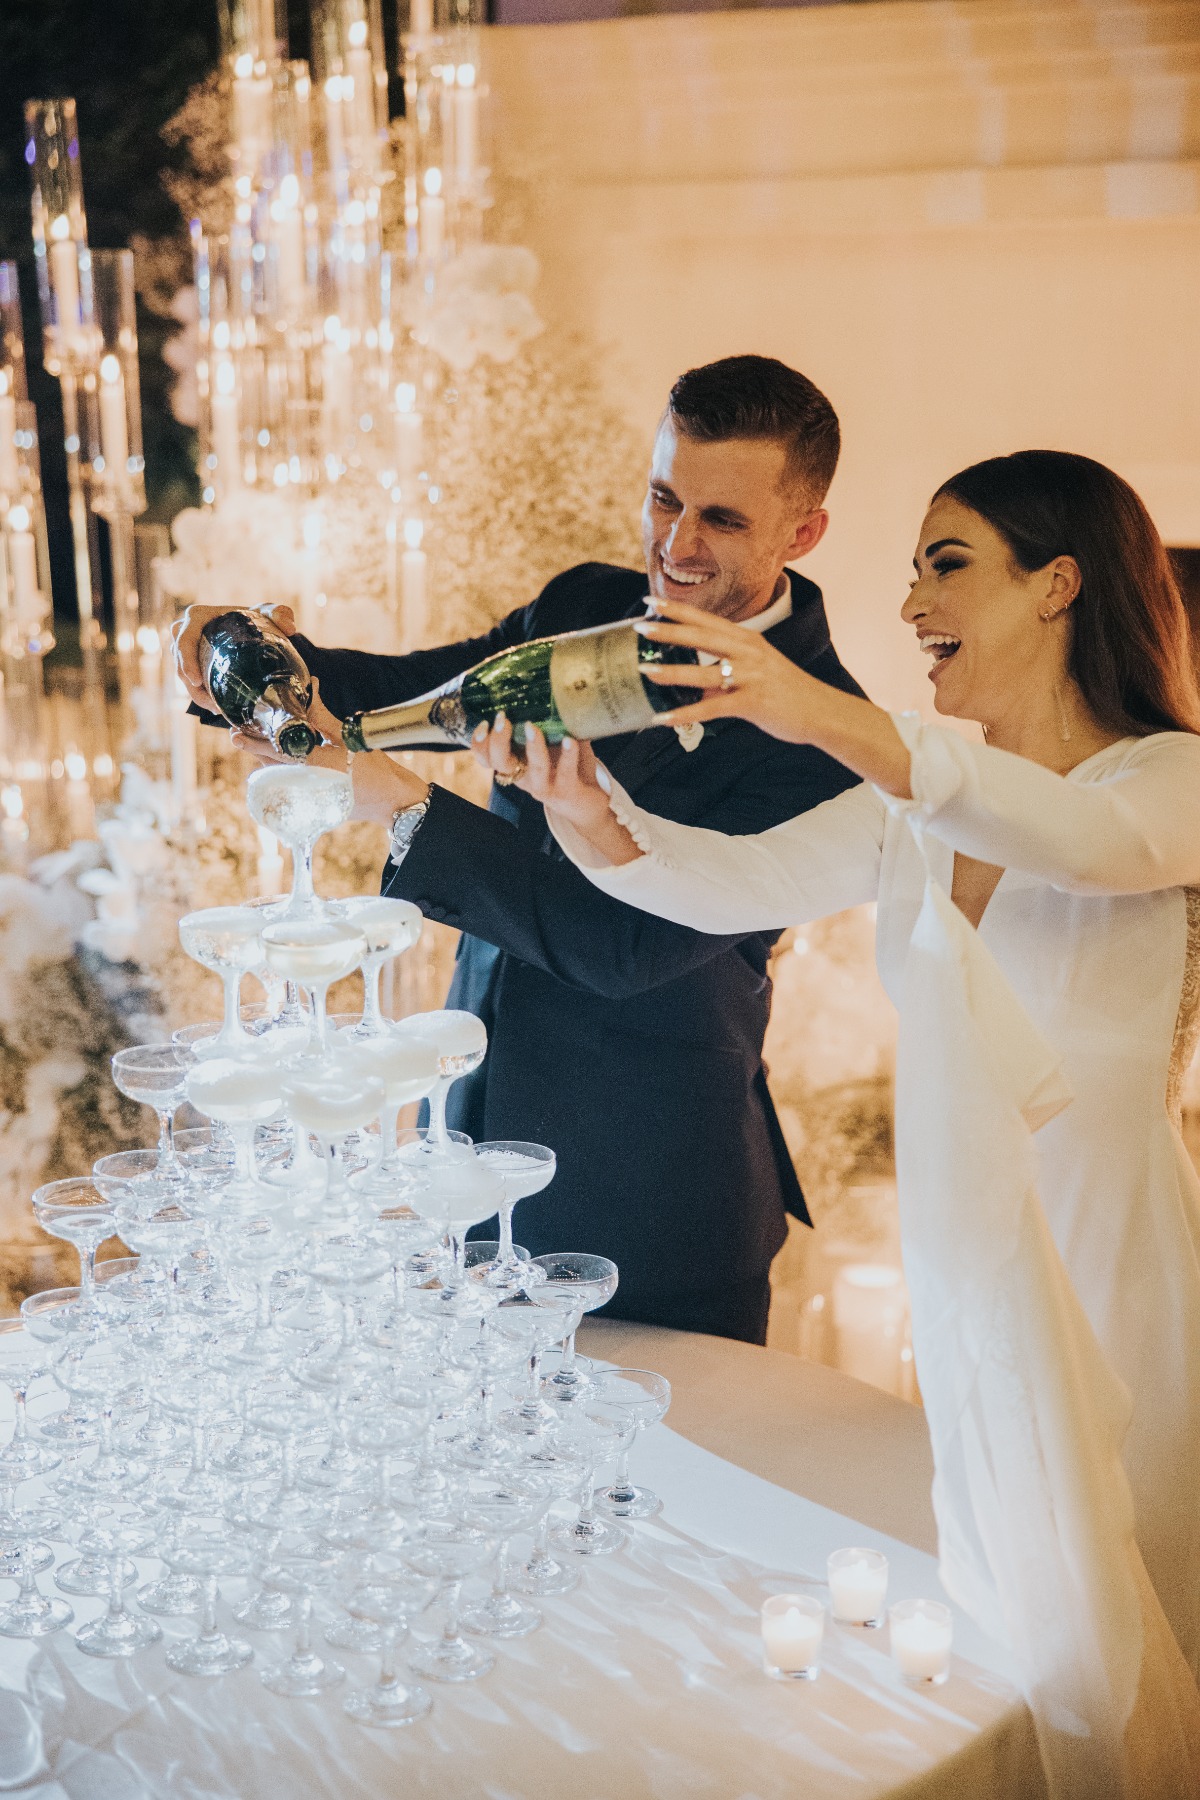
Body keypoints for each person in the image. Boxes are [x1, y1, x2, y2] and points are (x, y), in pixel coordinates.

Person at [505, 448, 1200, 1794]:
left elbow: (1082, 844)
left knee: (1152, 1615)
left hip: (1120, 1268)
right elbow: (722, 885)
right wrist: (584, 810)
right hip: (978, 1285)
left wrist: (806, 704)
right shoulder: (921, 808)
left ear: (1059, 583)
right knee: (1025, 1644)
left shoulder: (1167, 780)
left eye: (947, 563)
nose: (909, 601)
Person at [173, 354, 866, 1344]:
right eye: (664, 498)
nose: (674, 543)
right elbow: (401, 694)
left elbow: (622, 948)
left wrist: (408, 809)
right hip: (470, 1155)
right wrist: (244, 652)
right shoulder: (585, 601)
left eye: (722, 519)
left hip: (653, 1211)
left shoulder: (830, 742)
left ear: (804, 532)